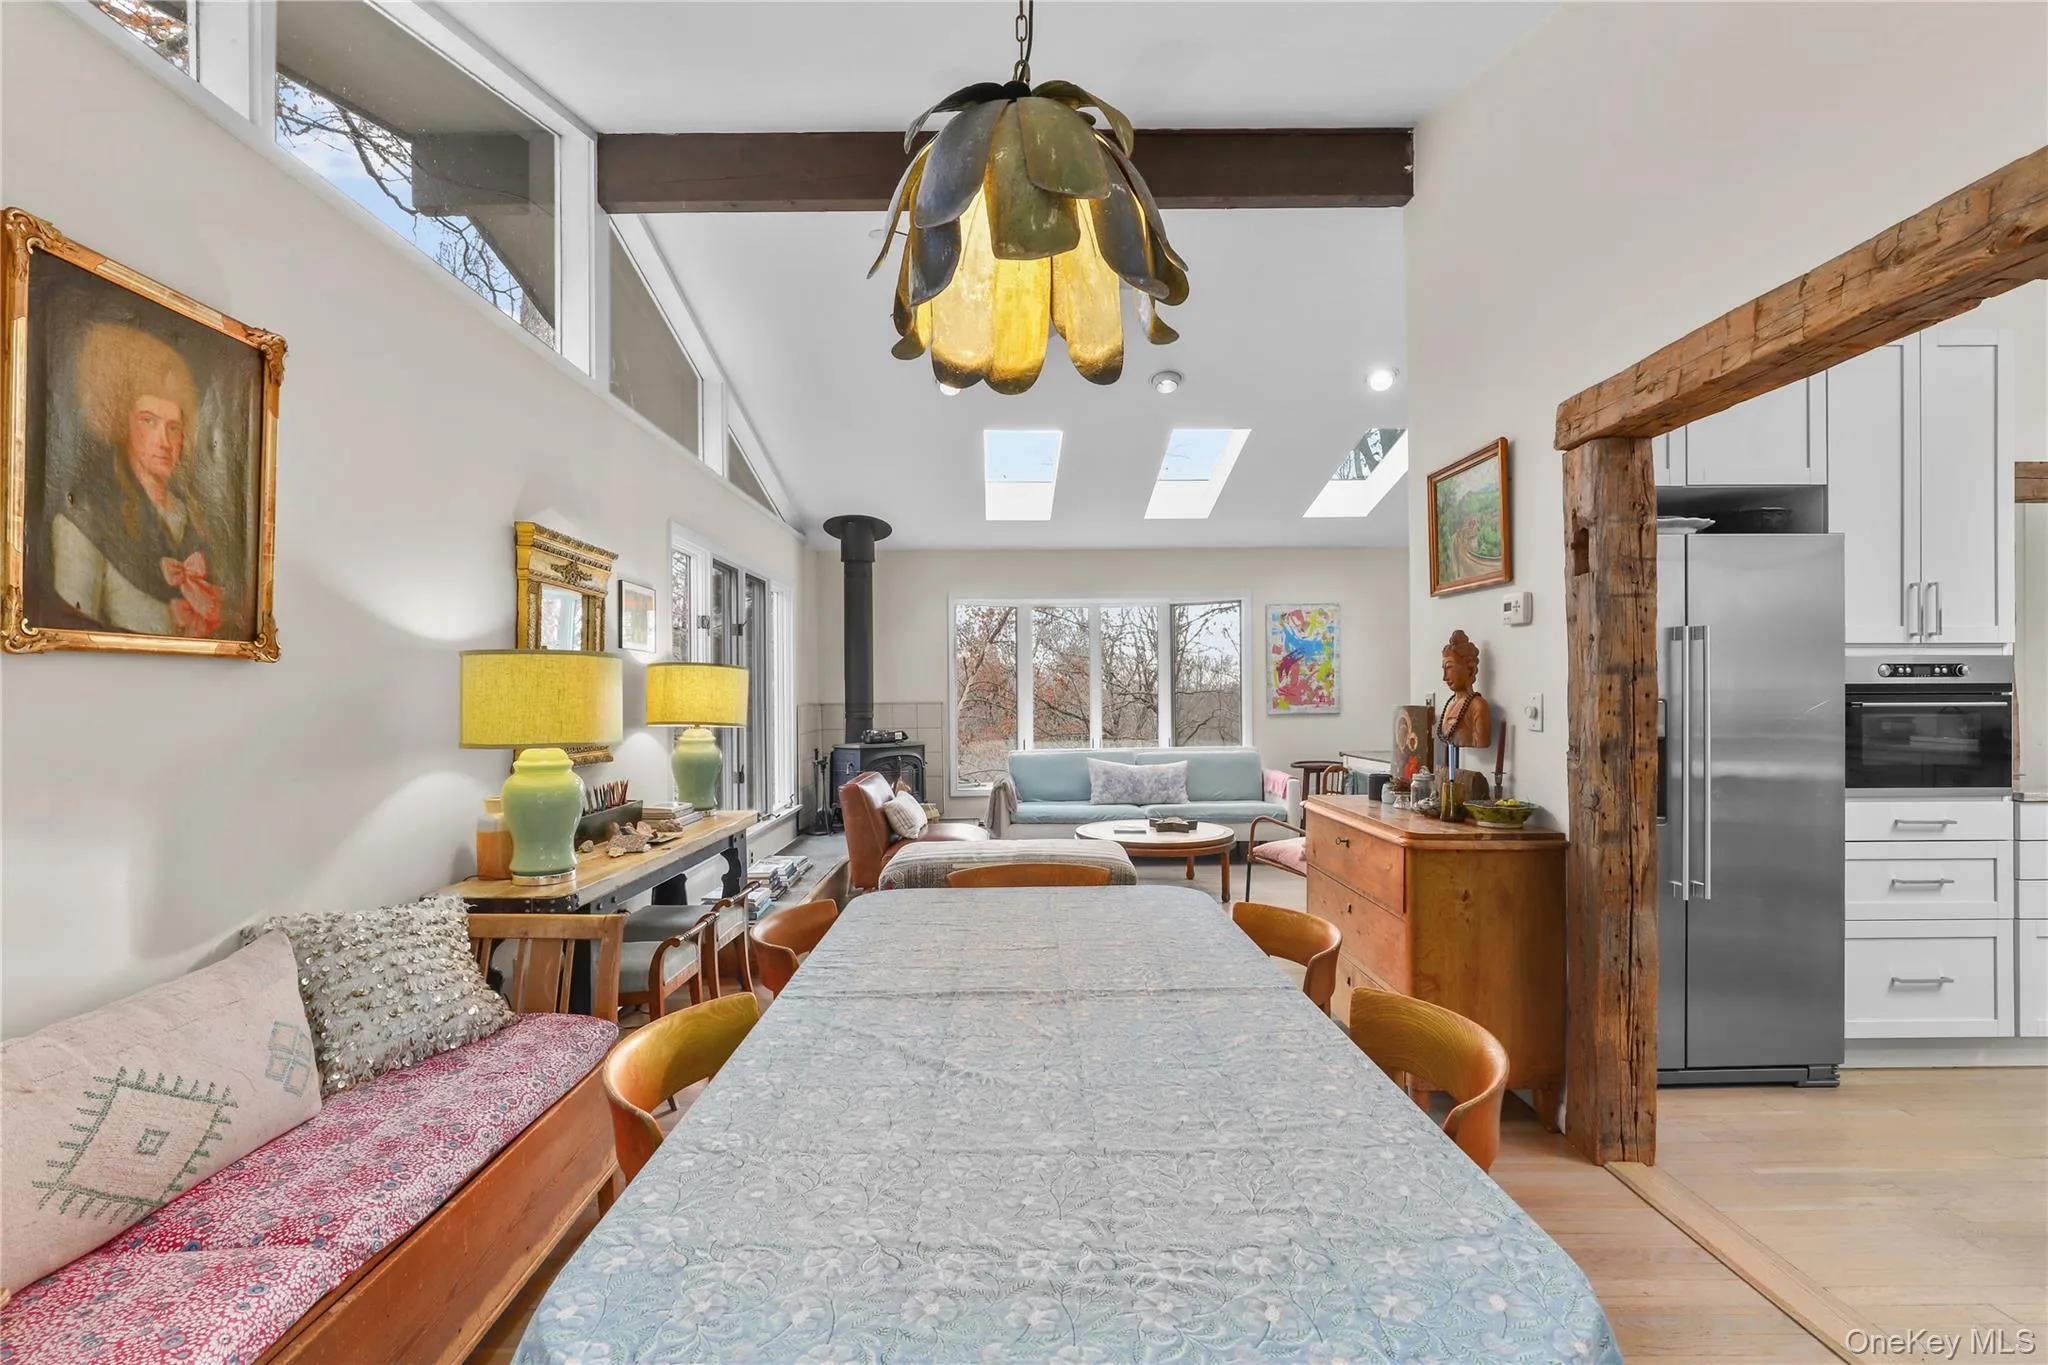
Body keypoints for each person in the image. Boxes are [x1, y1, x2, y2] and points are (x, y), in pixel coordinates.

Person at [48, 324, 225, 637]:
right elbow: (71, 636)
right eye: (148, 421)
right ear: (123, 424)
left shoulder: (192, 519)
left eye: (173, 427)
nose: (164, 442)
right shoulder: (84, 521)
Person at [1437, 629, 1495, 751]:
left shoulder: (1477, 706)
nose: (1445, 677)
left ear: (1470, 668)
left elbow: (1481, 741)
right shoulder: (1450, 704)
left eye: (1449, 668)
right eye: (1444, 669)